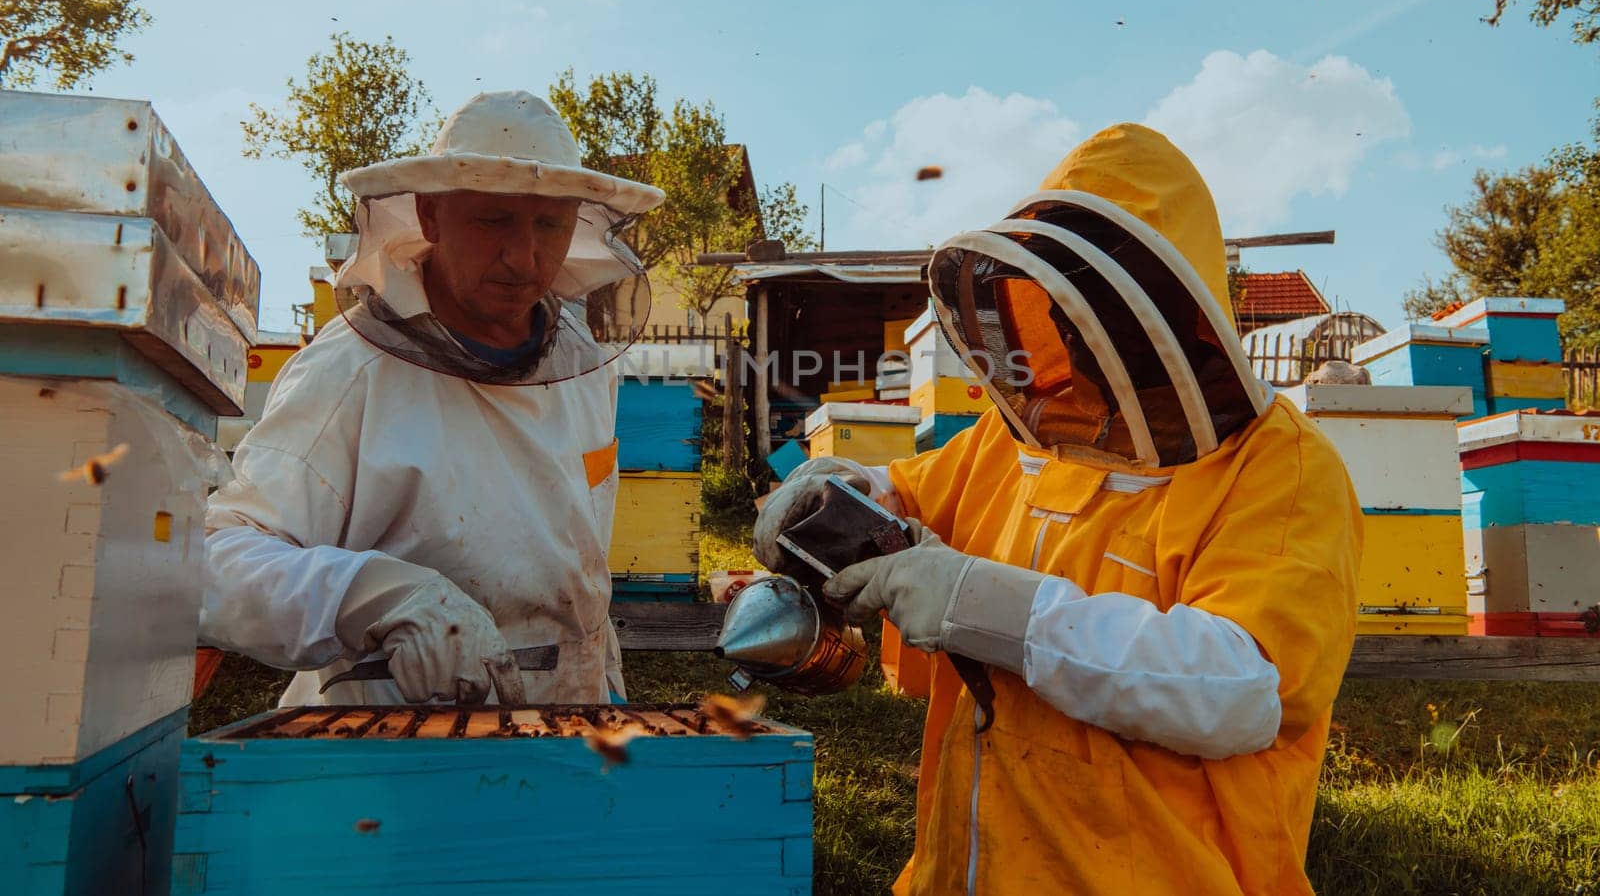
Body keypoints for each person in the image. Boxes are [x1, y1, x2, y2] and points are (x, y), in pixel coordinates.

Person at [755, 124, 1361, 894]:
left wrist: (989, 608)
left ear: (1175, 310)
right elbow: (905, 490)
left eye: (1100, 309)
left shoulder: (1284, 469)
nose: (1077, 339)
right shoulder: (1018, 439)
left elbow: (1243, 688)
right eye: (1063, 310)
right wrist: (831, 491)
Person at [201, 91, 664, 707]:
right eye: (493, 220)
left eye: (549, 224)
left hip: (570, 729)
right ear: (430, 216)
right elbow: (216, 558)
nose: (523, 257)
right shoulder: (350, 370)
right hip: (386, 753)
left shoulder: (583, 367)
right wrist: (373, 594)